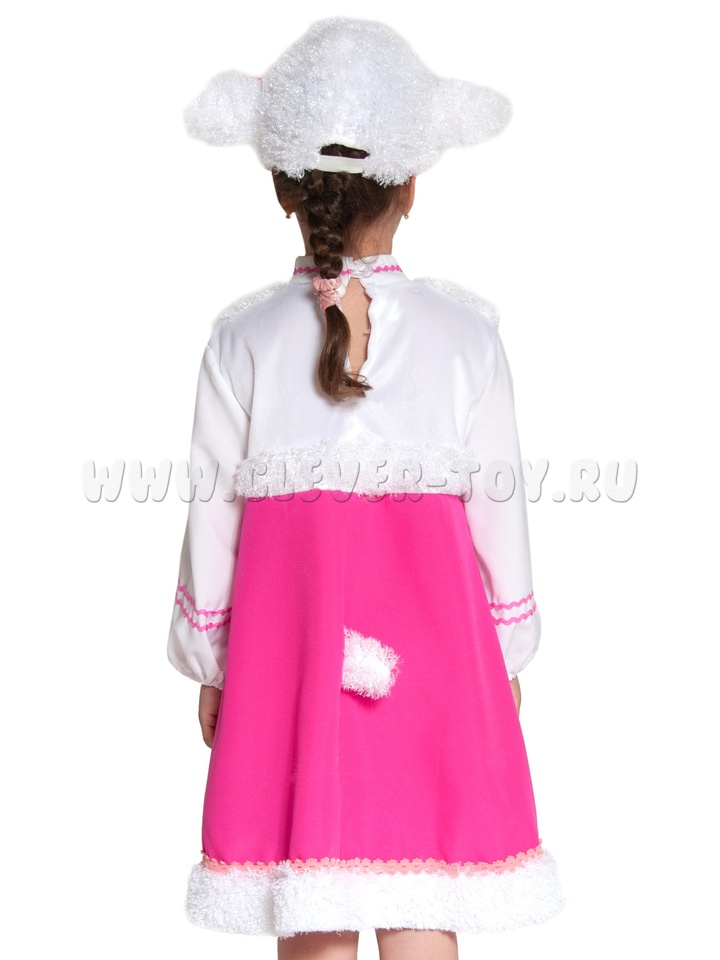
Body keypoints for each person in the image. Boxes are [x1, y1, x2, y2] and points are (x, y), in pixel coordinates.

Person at [168, 18, 564, 958]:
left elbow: (213, 521)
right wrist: (508, 647)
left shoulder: (241, 340)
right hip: (439, 657)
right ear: (412, 186)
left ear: (284, 191)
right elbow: (500, 516)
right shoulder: (467, 339)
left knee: (310, 887)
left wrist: (214, 660)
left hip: (289, 655)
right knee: (426, 882)